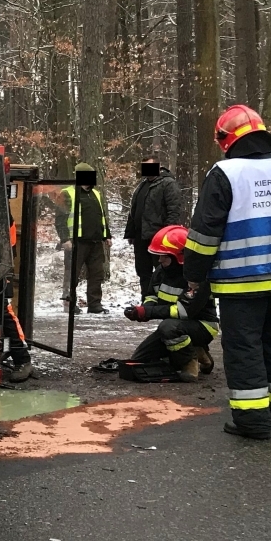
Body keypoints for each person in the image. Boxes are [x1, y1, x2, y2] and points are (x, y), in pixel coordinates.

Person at [183, 104, 271, 438]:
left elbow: (204, 233)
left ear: (226, 140)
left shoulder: (225, 173)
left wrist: (194, 273)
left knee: (245, 349)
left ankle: (252, 422)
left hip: (241, 283)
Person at [119, 225, 216, 383]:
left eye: (164, 256)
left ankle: (190, 363)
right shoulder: (161, 272)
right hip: (174, 326)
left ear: (179, 257)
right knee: (139, 359)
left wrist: (148, 313)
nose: (160, 260)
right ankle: (197, 351)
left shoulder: (197, 278)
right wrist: (142, 311)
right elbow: (152, 296)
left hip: (203, 326)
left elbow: (183, 311)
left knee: (168, 328)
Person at [122, 154, 186, 299]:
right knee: (143, 271)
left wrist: (167, 235)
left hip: (158, 237)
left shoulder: (168, 184)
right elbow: (134, 210)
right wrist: (131, 232)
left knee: (162, 270)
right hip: (140, 236)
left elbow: (173, 210)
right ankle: (146, 299)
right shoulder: (142, 185)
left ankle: (163, 299)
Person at [56, 162, 111, 313]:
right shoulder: (67, 193)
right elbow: (60, 219)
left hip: (95, 241)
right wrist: (65, 239)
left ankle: (95, 305)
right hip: (76, 242)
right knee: (72, 275)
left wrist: (107, 235)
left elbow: (101, 216)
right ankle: (70, 304)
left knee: (96, 275)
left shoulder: (96, 194)